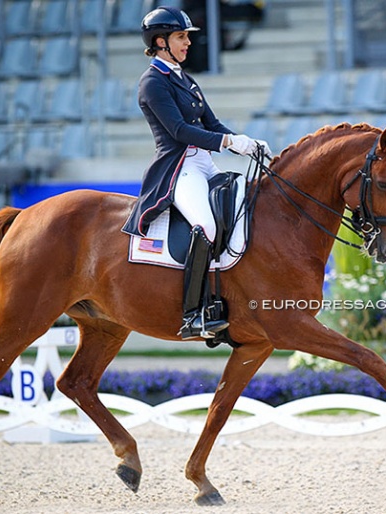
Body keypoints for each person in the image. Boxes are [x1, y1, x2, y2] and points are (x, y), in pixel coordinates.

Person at [122, 6, 270, 340]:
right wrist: (229, 141)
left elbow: (212, 125)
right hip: (179, 168)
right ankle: (194, 314)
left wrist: (247, 143)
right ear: (160, 42)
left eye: (187, 36)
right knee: (205, 224)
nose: (188, 42)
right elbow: (178, 130)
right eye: (181, 36)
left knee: (243, 213)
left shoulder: (185, 79)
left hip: (203, 162)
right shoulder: (152, 83)